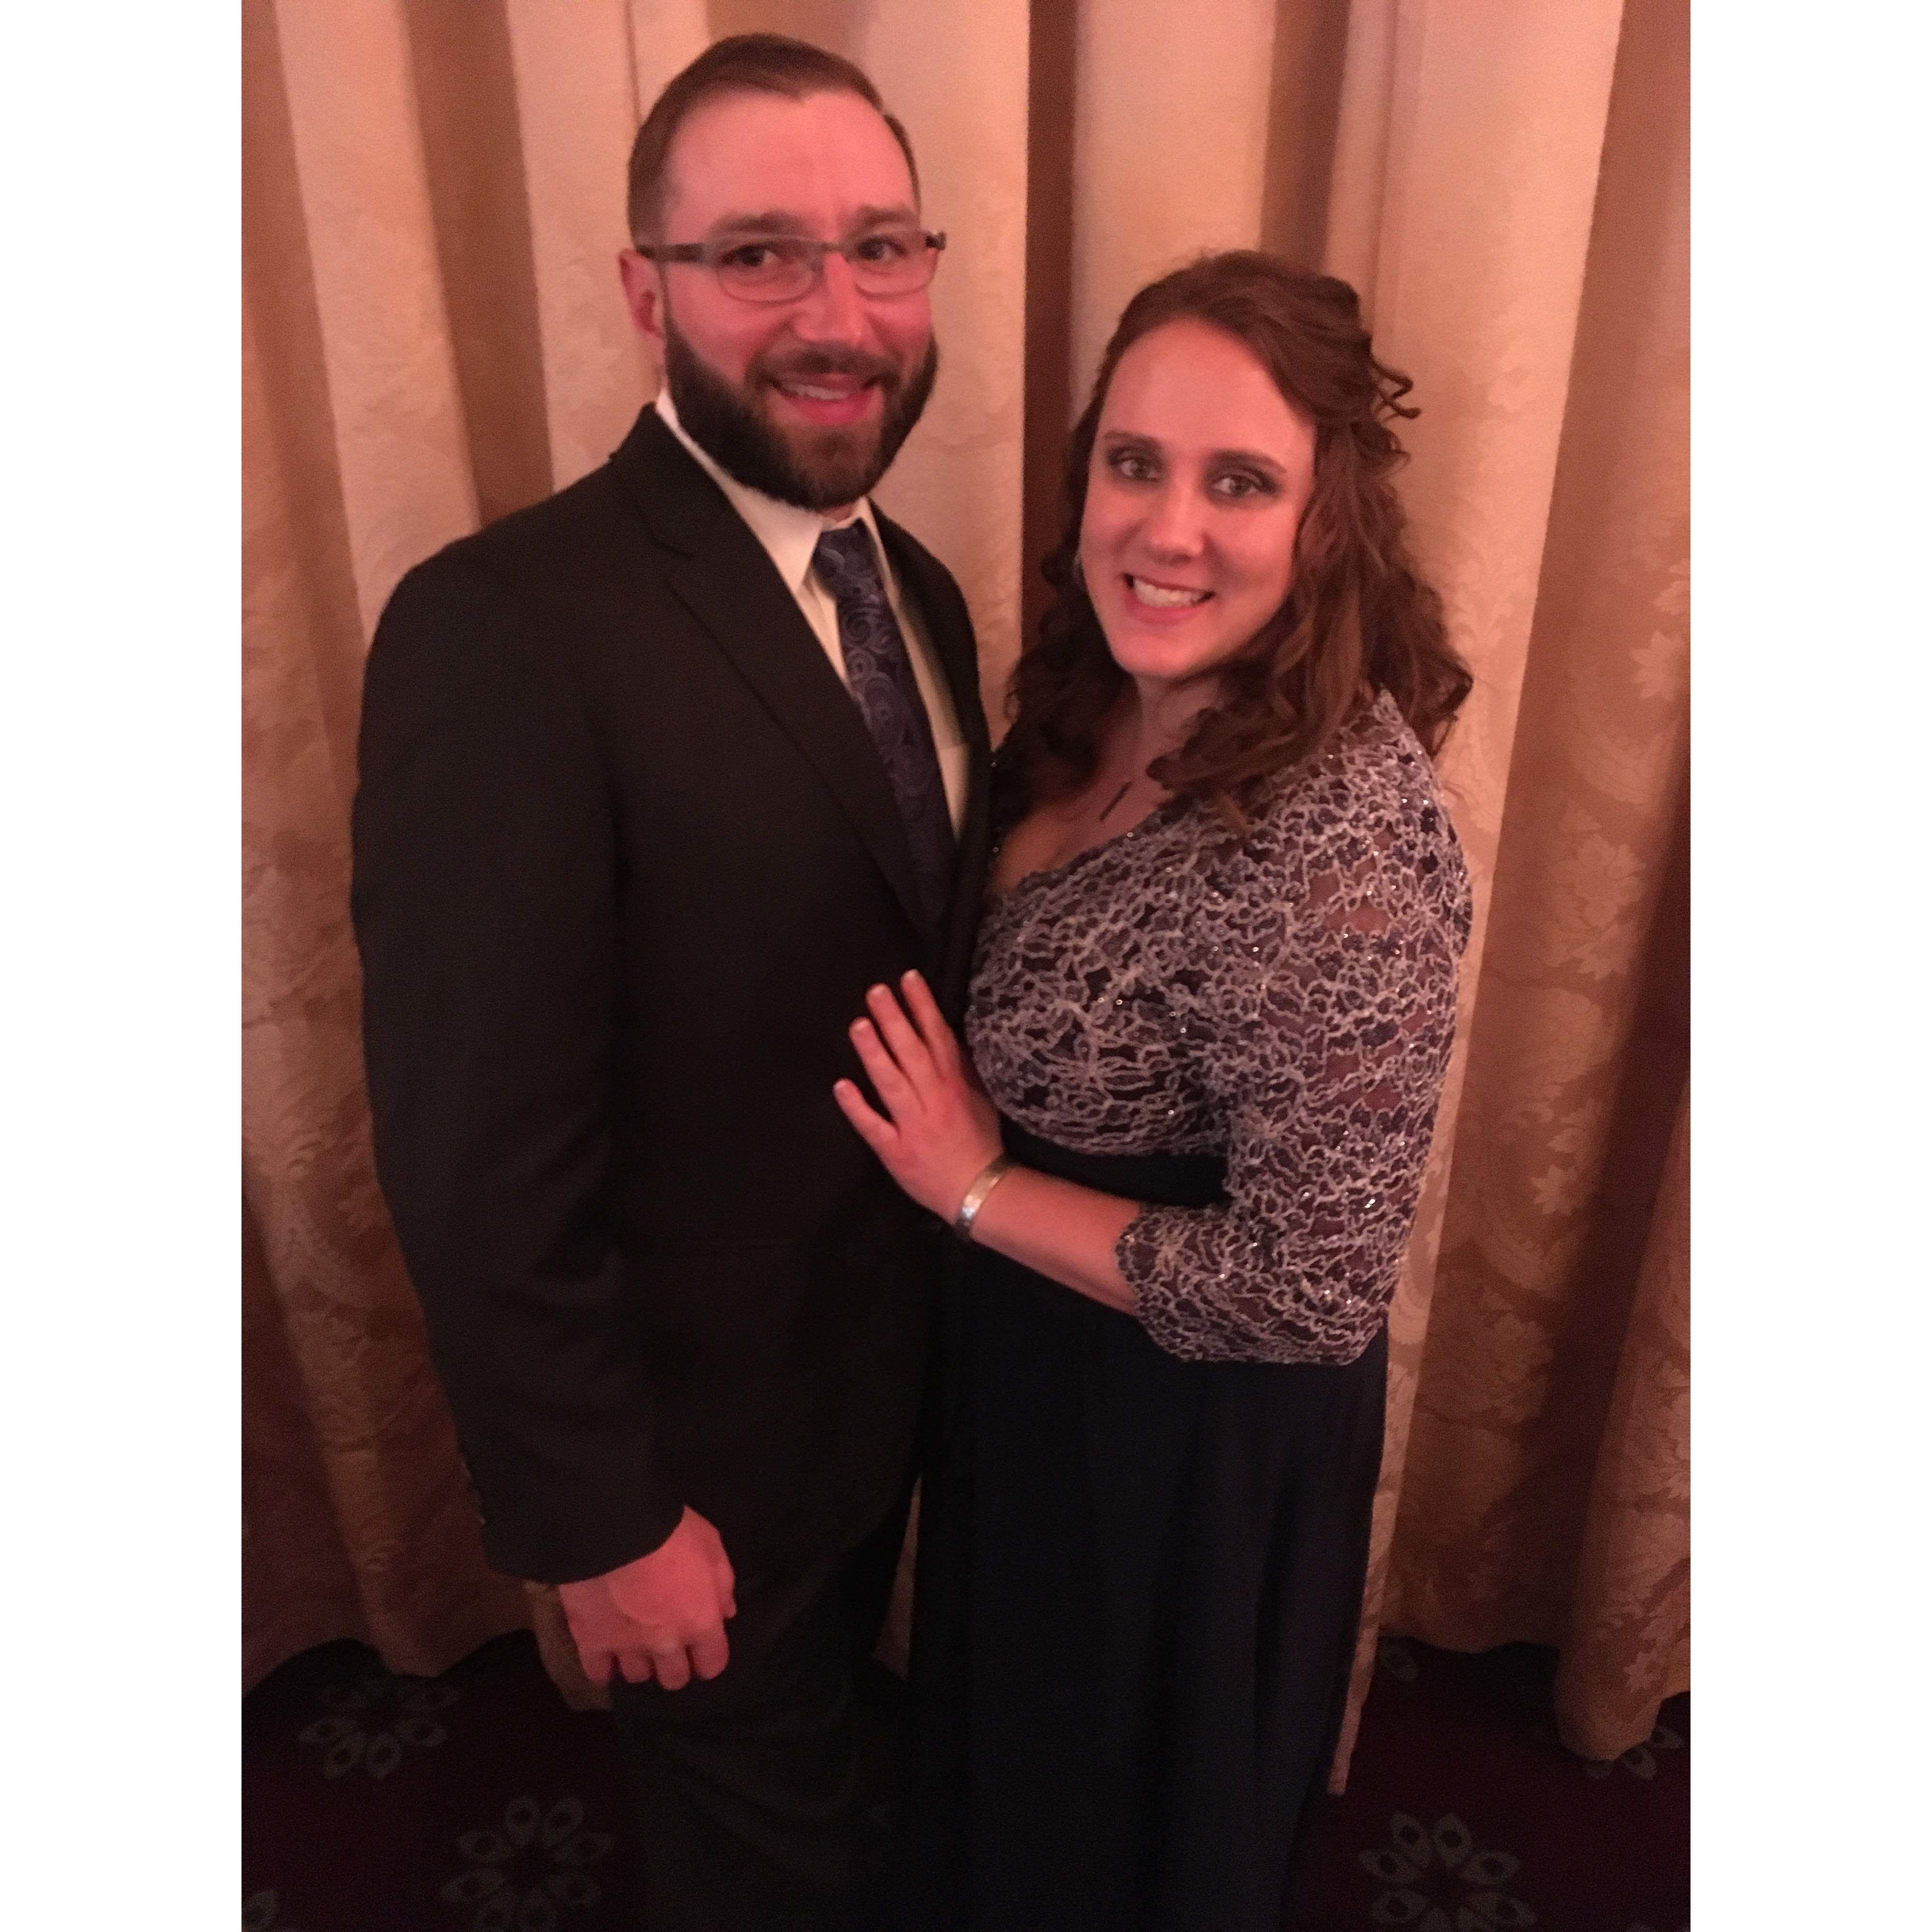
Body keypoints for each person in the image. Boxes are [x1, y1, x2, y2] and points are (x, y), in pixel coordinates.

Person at [351, 34, 991, 1932]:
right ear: (648, 292)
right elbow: (473, 1152)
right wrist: (600, 1518)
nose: (837, 313)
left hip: (899, 1402)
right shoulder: (500, 629)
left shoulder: (927, 592)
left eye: (880, 247)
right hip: (687, 1473)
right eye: (761, 254)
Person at [835, 252, 1473, 1931]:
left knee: (1111, 1832)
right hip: (1030, 1361)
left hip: (1178, 1441)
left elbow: (1311, 1293)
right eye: (1135, 463)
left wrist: (976, 1186)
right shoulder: (1091, 693)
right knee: (1003, 1778)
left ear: (1325, 523)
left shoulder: (1347, 850)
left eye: (1239, 481)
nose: (1168, 529)